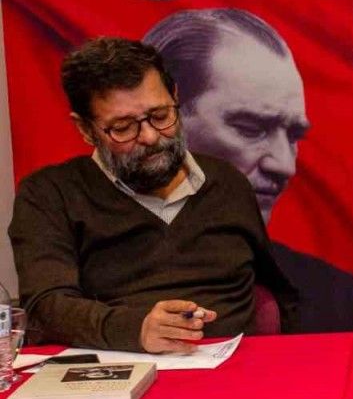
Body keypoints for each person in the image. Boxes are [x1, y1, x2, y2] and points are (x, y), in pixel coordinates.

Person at [9, 38, 298, 353]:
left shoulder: (227, 182)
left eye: (160, 116)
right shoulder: (50, 194)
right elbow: (45, 306)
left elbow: (277, 291)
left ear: (175, 97)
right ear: (86, 129)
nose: (149, 136)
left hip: (235, 366)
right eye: (123, 127)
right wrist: (136, 329)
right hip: (117, 366)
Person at [142, 8, 353, 333]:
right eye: (250, 128)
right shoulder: (87, 286)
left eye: (293, 135)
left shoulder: (342, 304)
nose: (285, 165)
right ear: (163, 123)